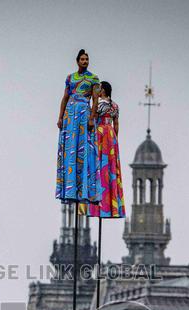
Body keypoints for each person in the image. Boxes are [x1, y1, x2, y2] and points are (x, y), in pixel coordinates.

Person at [55, 49, 99, 203]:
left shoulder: (93, 79)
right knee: (70, 150)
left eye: (87, 59)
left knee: (83, 150)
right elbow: (65, 97)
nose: (85, 61)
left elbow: (95, 100)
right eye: (82, 59)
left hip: (83, 114)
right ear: (77, 61)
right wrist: (60, 117)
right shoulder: (70, 78)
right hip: (70, 115)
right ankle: (69, 186)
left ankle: (84, 187)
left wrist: (92, 118)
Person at [87, 81, 124, 218]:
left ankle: (98, 200)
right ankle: (111, 202)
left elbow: (93, 118)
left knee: (98, 164)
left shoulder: (99, 104)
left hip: (100, 132)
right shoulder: (115, 105)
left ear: (102, 90)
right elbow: (117, 124)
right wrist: (115, 139)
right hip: (111, 135)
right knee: (109, 166)